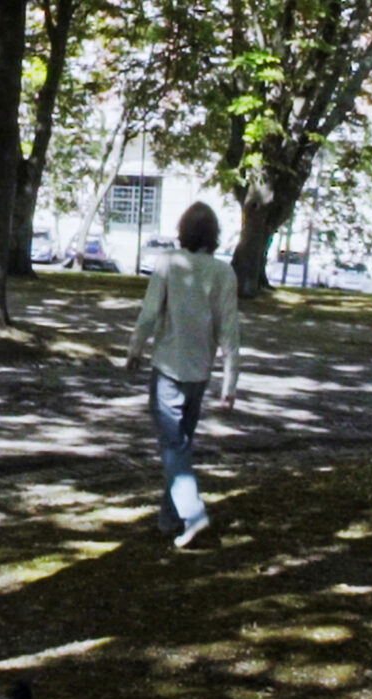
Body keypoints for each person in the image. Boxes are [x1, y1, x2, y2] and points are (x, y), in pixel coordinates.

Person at [126, 202, 240, 548]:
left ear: (183, 231)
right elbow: (229, 332)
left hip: (167, 368)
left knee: (173, 447)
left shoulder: (168, 263)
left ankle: (192, 514)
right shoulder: (223, 273)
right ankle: (169, 518)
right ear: (214, 235)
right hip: (199, 373)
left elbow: (149, 312)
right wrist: (229, 383)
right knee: (180, 446)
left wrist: (134, 349)